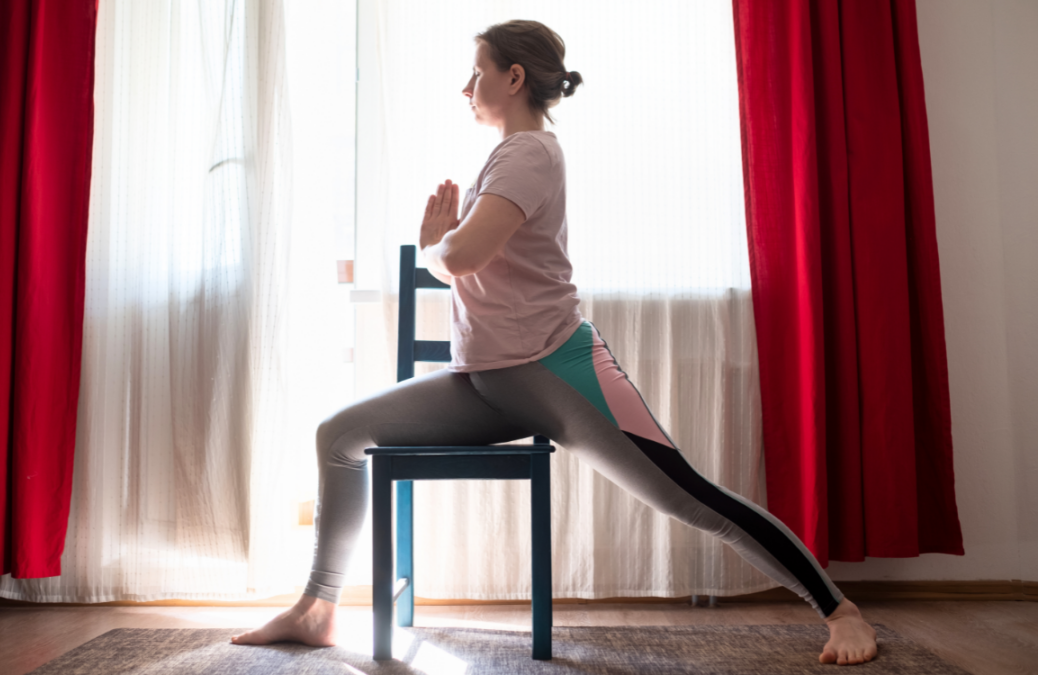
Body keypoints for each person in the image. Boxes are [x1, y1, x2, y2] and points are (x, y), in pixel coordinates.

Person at [231, 19, 878, 666]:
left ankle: (840, 610)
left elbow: (464, 253)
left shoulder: (530, 154)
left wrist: (437, 245)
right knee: (338, 434)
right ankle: (317, 608)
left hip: (564, 378)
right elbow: (464, 254)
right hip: (487, 384)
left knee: (690, 496)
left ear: (514, 78)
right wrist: (446, 246)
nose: (466, 86)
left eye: (477, 71)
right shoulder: (505, 156)